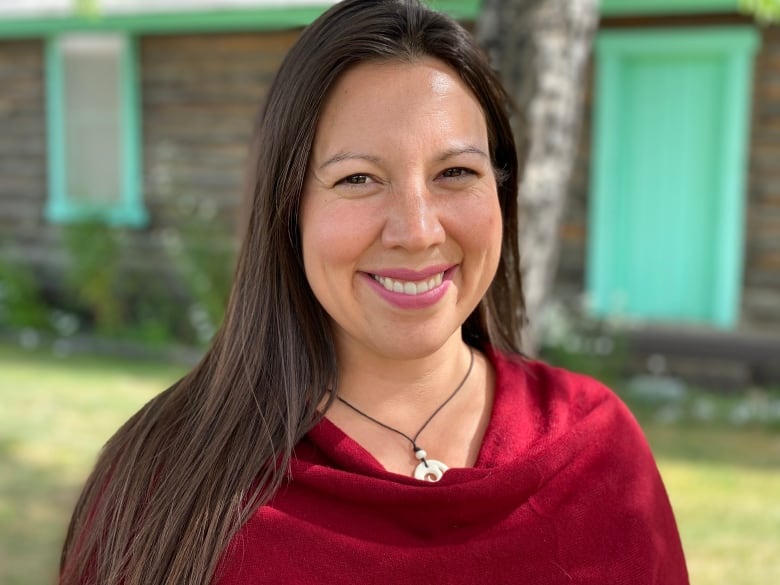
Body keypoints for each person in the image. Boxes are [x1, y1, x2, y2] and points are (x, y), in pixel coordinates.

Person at [59, 1, 689, 583]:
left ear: (501, 193)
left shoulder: (597, 451)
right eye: (358, 178)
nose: (416, 232)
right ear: (290, 210)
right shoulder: (162, 485)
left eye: (456, 173)